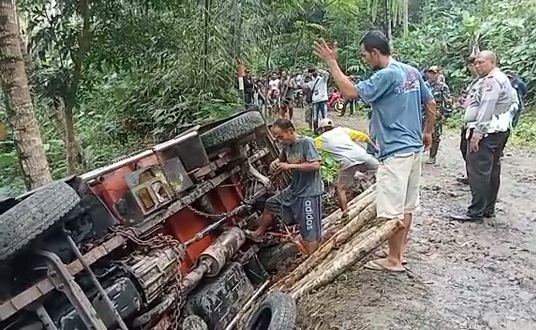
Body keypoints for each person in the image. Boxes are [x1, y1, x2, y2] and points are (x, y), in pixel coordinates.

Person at [313, 30, 436, 272]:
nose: (365, 59)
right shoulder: (410, 70)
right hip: (412, 149)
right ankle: (399, 252)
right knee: (407, 206)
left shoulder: (386, 75)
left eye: (365, 55)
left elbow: (349, 92)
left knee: (392, 210)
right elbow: (430, 102)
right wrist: (427, 131)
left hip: (395, 150)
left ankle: (393, 260)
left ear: (375, 52)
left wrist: (331, 62)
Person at [450, 51, 512, 222]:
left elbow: (487, 107)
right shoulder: (495, 78)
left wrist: (478, 133)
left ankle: (476, 211)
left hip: (488, 132)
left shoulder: (492, 81)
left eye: (481, 63)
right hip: (497, 130)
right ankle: (487, 208)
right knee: (491, 169)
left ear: (492, 62)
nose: (477, 66)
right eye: (476, 63)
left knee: (479, 171)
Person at [248, 119, 323, 255]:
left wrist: (290, 166)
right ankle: (258, 233)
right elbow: (282, 159)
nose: (280, 141)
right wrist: (275, 163)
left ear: (290, 131)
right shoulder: (287, 146)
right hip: (294, 189)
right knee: (271, 203)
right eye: (276, 139)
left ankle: (313, 262)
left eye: (281, 137)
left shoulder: (306, 142)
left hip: (309, 192)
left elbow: (315, 165)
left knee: (310, 229)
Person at [315, 118, 379, 210]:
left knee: (341, 189)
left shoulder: (321, 139)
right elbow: (363, 136)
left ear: (322, 129)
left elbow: (309, 146)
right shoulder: (342, 130)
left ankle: (345, 212)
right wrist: (375, 148)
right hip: (362, 155)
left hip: (347, 162)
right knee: (380, 170)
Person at [456, 56, 480, 185]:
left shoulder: (486, 82)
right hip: (468, 121)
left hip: (477, 123)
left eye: (476, 64)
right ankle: (471, 175)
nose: (474, 68)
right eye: (472, 65)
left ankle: (475, 178)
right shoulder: (474, 82)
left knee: (473, 152)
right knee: (464, 148)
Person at [425, 66, 453, 164]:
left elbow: (448, 101)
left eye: (434, 73)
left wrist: (446, 114)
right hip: (424, 112)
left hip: (437, 113)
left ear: (438, 74)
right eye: (430, 72)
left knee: (435, 135)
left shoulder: (442, 87)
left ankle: (432, 156)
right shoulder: (424, 85)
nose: (432, 75)